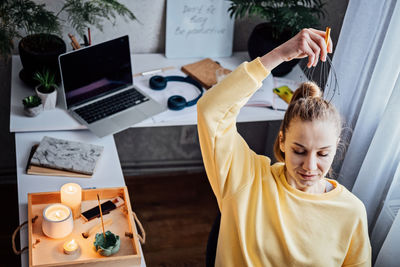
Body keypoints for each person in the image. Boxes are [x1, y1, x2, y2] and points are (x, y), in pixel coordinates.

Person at [197, 28, 371, 266]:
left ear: (336, 148)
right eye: (299, 150)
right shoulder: (247, 180)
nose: (309, 166)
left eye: (322, 154)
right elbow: (211, 111)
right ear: (282, 141)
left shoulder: (352, 212)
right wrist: (278, 54)